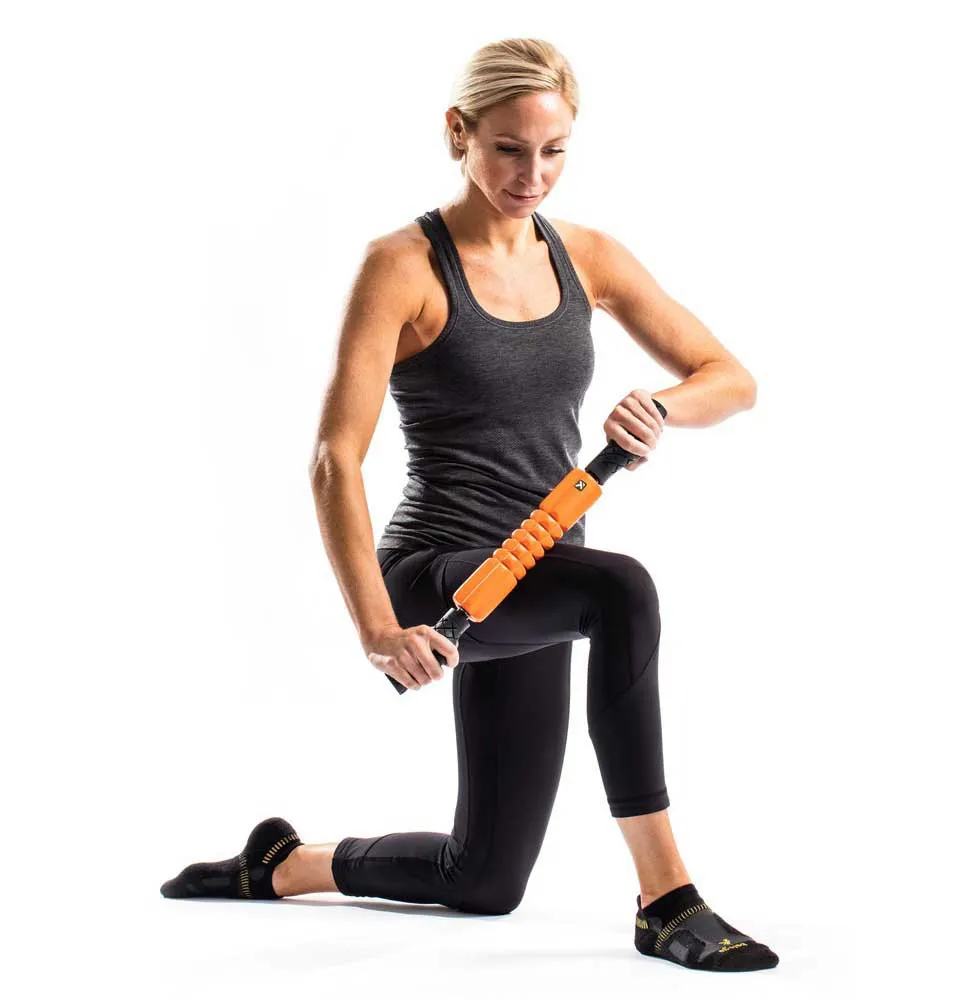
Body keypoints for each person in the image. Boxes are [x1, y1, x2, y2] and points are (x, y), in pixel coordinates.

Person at [160, 37, 778, 974]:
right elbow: (334, 458)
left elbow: (730, 378)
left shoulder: (588, 256)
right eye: (508, 150)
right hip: (437, 577)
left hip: (538, 575)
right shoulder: (403, 266)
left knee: (484, 879)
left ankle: (282, 864)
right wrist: (376, 627)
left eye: (554, 151)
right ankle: (667, 901)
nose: (533, 176)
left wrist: (662, 407)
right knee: (623, 593)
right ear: (459, 132)